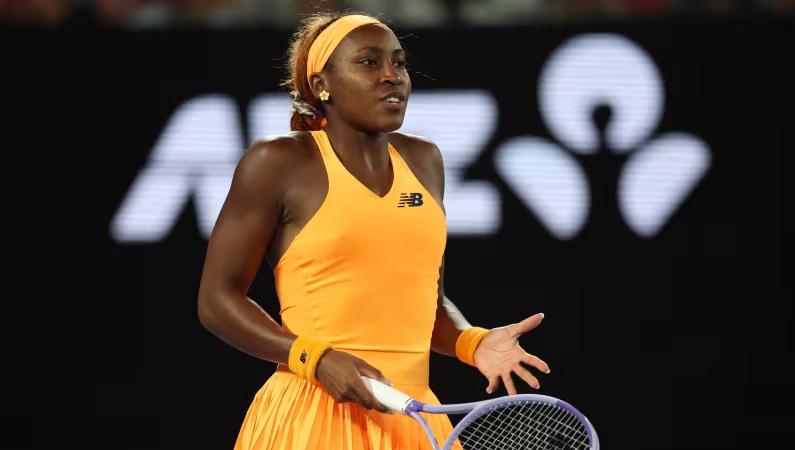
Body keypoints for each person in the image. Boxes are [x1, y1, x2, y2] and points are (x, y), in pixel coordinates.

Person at [197, 12, 550, 449]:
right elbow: (217, 301)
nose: (391, 76)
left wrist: (472, 342)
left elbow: (428, 304)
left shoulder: (425, 160)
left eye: (399, 63)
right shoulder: (278, 162)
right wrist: (315, 358)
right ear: (321, 85)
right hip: (312, 417)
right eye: (368, 62)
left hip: (412, 420)